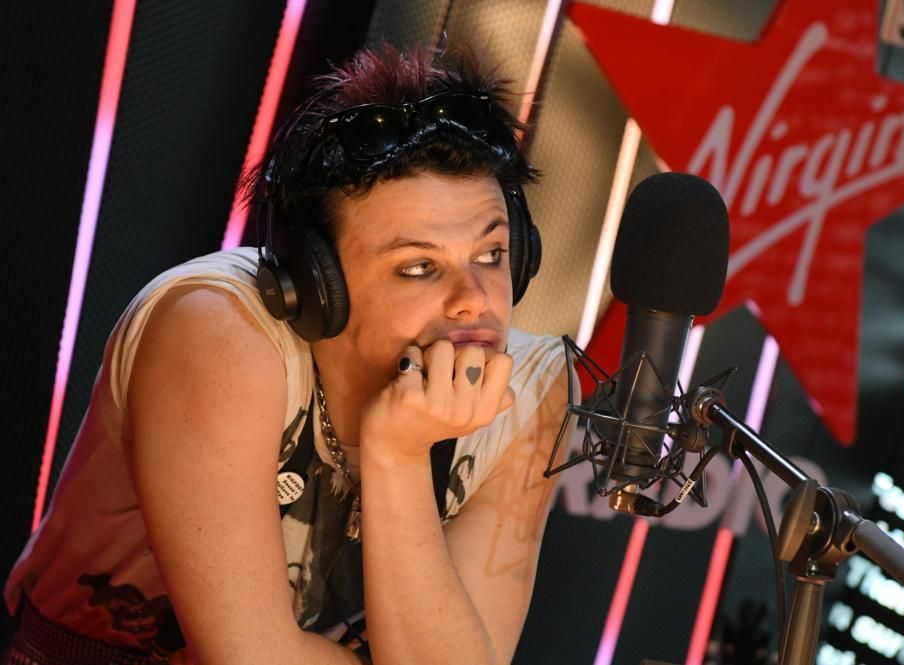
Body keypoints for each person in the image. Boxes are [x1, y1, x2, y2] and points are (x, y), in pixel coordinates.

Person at [4, 44, 574, 664]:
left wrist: (397, 456)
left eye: (491, 255)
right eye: (418, 267)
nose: (475, 300)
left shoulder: (535, 388)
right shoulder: (215, 330)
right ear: (314, 283)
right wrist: (403, 451)